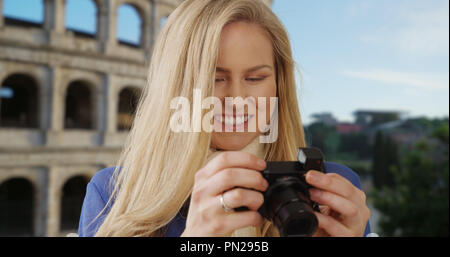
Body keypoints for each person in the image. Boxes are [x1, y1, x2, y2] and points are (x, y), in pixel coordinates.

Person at [78, 0, 371, 237]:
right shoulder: (112, 194)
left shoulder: (336, 190)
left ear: (279, 86)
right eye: (215, 78)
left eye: (255, 78)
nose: (236, 98)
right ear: (176, 87)